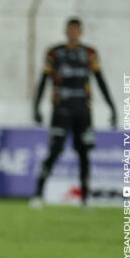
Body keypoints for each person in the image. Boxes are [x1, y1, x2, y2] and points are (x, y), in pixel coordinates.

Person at [30, 17, 116, 209]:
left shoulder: (90, 53)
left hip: (83, 110)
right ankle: (37, 194)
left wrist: (112, 106)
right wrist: (36, 106)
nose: (73, 33)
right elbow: (43, 80)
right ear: (65, 31)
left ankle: (85, 199)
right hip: (61, 110)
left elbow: (100, 80)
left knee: (84, 153)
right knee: (54, 151)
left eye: (76, 30)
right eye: (70, 30)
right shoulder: (55, 53)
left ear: (81, 32)